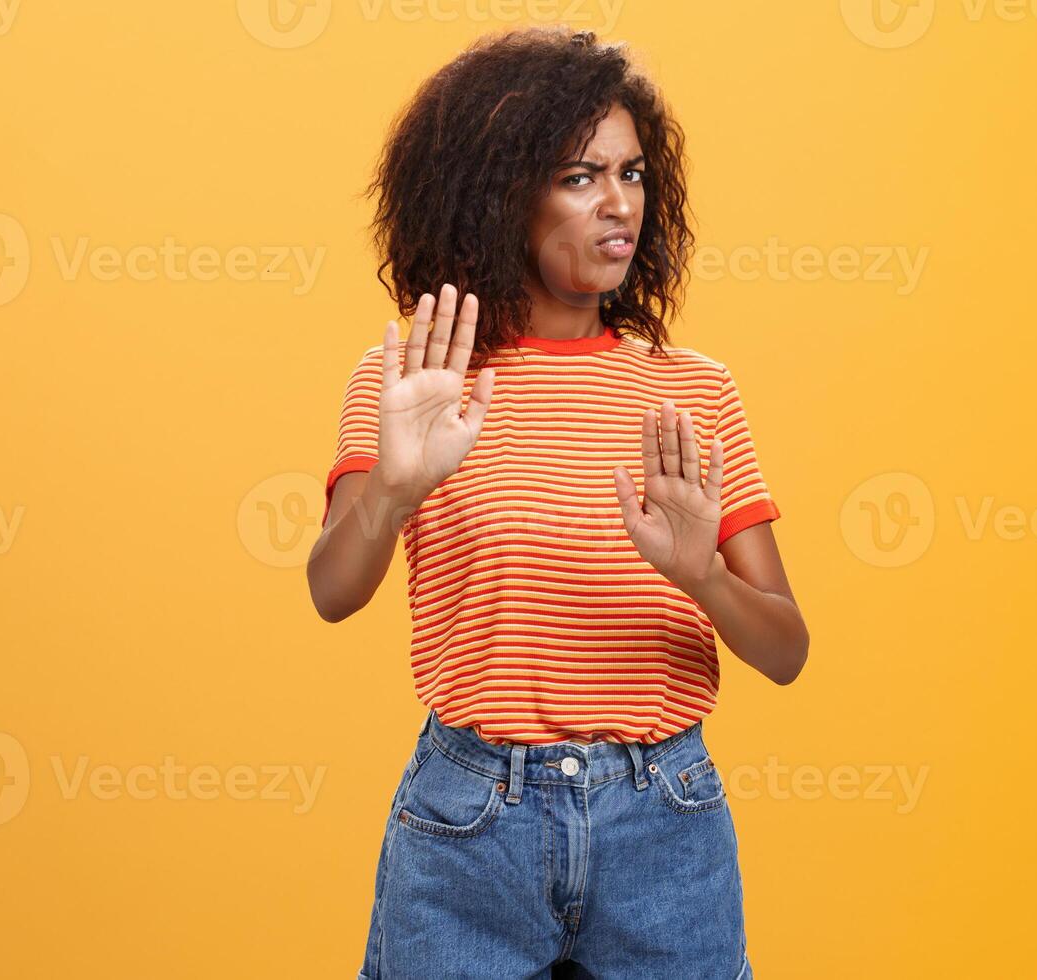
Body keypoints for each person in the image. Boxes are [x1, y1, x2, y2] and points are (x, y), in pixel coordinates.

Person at [308, 26, 810, 979]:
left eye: (629, 173)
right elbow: (332, 590)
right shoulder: (416, 378)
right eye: (579, 177)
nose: (618, 205)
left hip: (664, 815)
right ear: (500, 198)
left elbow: (785, 651)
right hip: (471, 822)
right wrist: (397, 487)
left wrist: (699, 572)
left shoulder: (696, 392)